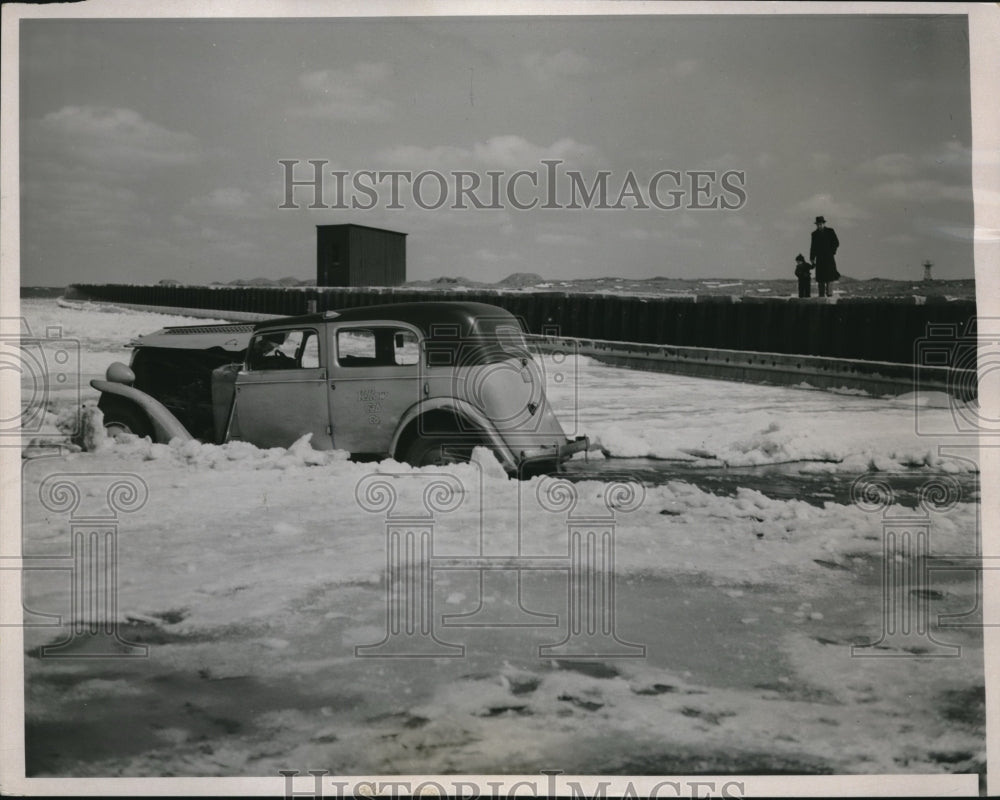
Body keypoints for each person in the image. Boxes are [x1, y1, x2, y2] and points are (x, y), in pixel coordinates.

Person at [810, 215, 840, 297]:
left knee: (829, 278)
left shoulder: (830, 231)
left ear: (823, 223)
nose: (819, 226)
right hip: (819, 259)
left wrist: (832, 252)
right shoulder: (814, 234)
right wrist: (812, 258)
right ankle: (821, 296)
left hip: (829, 258)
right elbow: (813, 247)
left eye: (821, 224)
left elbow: (836, 243)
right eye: (818, 224)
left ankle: (830, 295)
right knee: (820, 279)